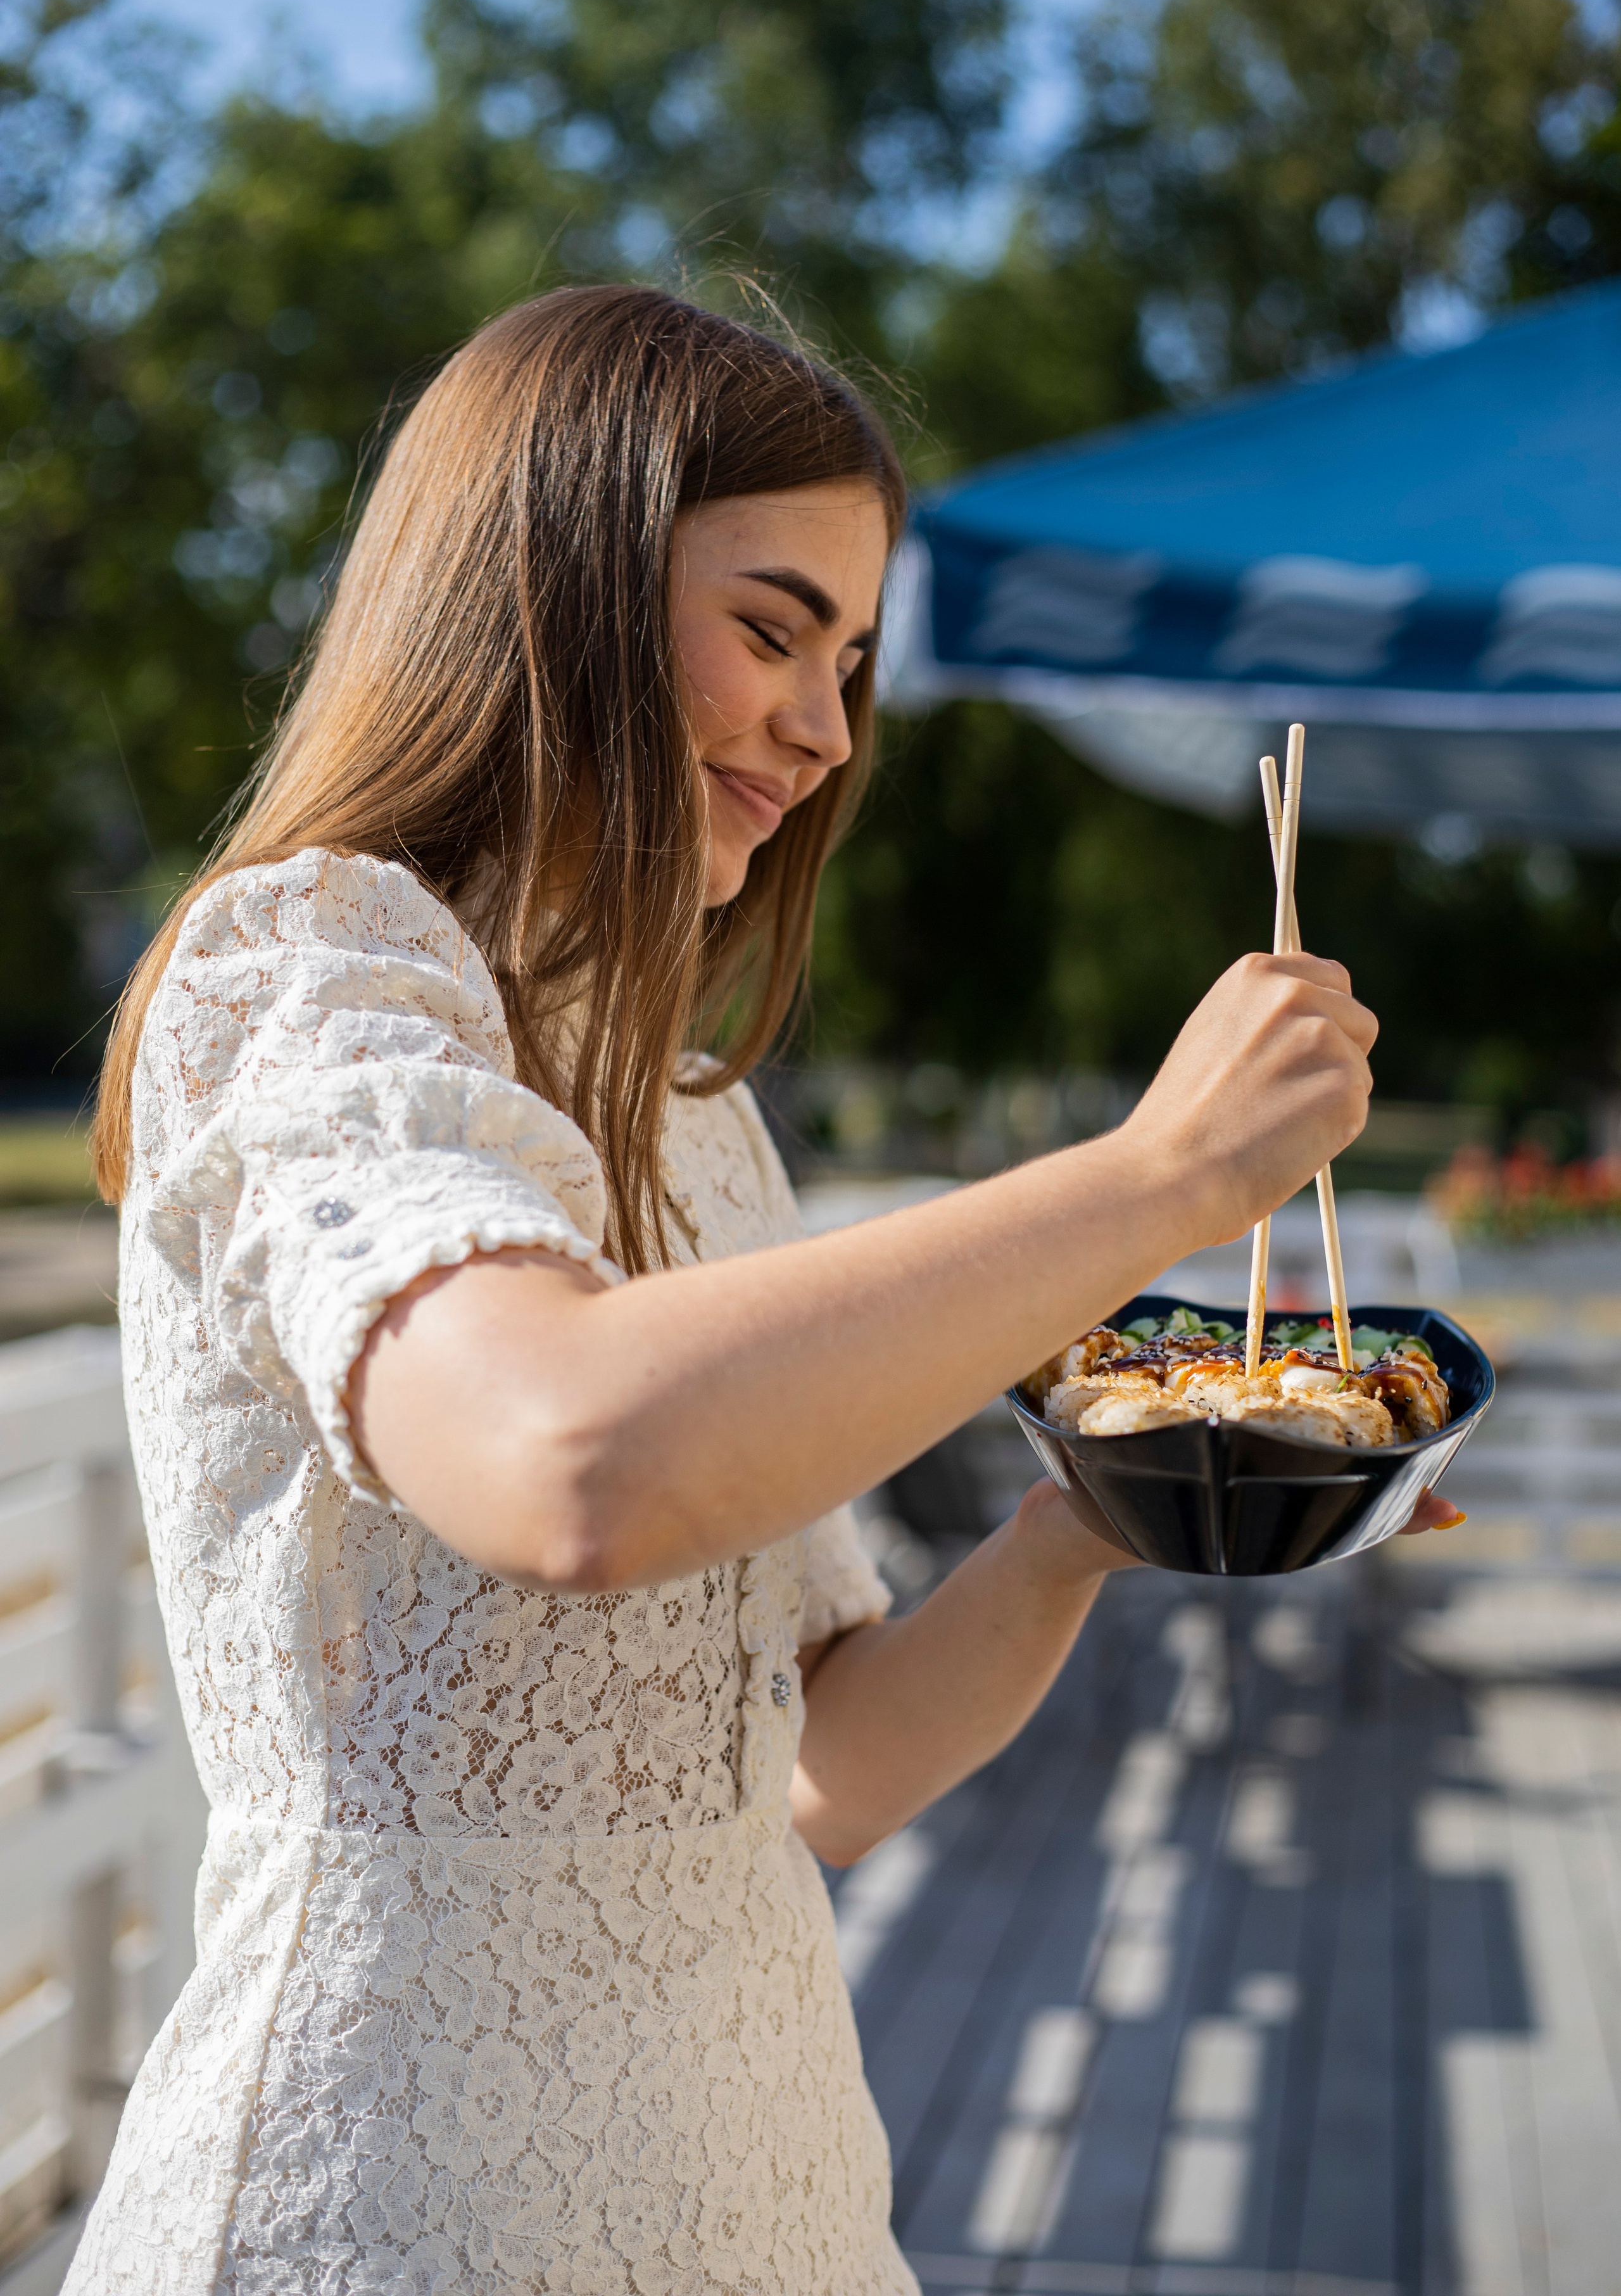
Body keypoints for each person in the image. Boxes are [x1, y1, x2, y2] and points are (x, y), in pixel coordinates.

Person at [72, 285, 1453, 2296]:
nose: (825, 728)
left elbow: (821, 1767)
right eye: (773, 628)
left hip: (765, 2177)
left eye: (858, 661)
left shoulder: (700, 1119)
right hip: (391, 2204)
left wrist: (1107, 1514)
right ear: (549, 591)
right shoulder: (302, 970)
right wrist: (1162, 1177)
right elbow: (575, 1462)